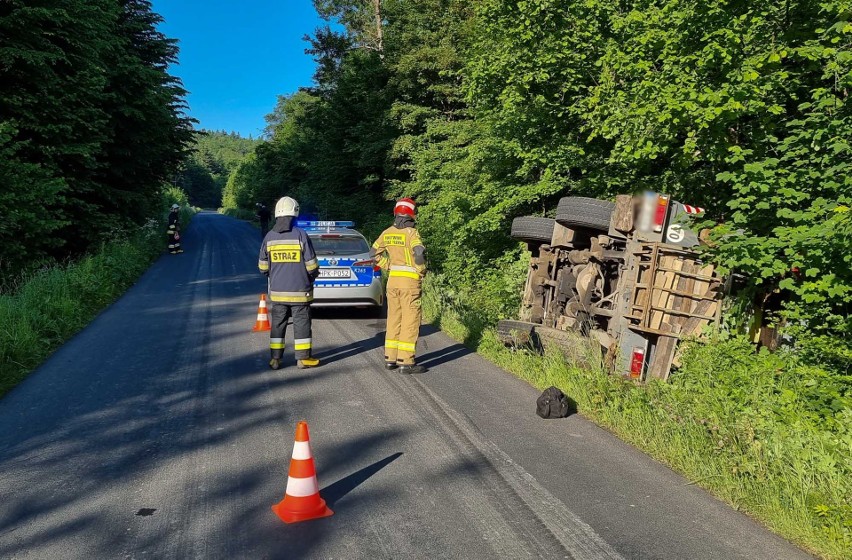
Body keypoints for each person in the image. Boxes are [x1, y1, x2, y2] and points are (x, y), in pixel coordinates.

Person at [258, 196, 321, 370]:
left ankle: (275, 359)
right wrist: (312, 277)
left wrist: (275, 274)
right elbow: (312, 265)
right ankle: (303, 358)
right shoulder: (301, 235)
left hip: (278, 292)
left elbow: (263, 267)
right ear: (294, 215)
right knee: (302, 323)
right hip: (300, 292)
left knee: (277, 325)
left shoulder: (269, 237)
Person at [371, 198, 427, 374]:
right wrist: (421, 269)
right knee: (410, 321)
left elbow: (373, 253)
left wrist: (388, 265)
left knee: (394, 320)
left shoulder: (387, 233)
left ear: (396, 213)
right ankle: (406, 362)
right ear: (411, 214)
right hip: (409, 284)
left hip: (393, 282)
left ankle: (390, 359)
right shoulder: (412, 233)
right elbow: (419, 252)